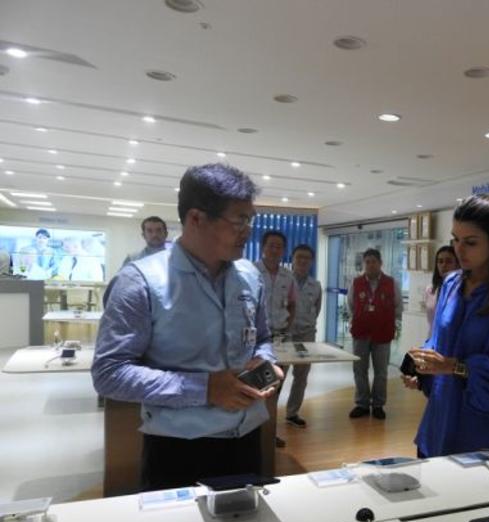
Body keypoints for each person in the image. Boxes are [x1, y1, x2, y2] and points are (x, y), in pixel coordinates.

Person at [91, 163, 283, 491]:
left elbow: (262, 337)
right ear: (196, 218)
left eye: (250, 219)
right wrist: (205, 389)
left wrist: (265, 361)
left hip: (248, 436)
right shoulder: (140, 281)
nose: (248, 231)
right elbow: (109, 373)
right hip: (178, 447)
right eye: (239, 220)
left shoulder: (250, 276)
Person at [403, 194, 489, 457]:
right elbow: (438, 341)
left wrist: (454, 366)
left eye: (470, 242)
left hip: (485, 431)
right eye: (455, 239)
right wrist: (423, 365)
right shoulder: (451, 284)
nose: (458, 250)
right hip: (441, 420)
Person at [348, 248, 402, 420]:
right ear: (364, 264)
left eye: (374, 262)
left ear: (380, 263)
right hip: (360, 333)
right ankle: (362, 404)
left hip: (383, 333)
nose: (370, 265)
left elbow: (398, 307)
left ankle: (378, 405)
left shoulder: (391, 283)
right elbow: (351, 305)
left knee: (381, 372)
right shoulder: (356, 283)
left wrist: (390, 322)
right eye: (367, 262)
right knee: (359, 370)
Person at [255, 230, 297, 445]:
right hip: (257, 339)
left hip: (280, 336)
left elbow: (293, 304)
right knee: (257, 386)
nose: (274, 249)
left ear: (284, 250)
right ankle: (254, 433)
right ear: (263, 247)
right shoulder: (252, 271)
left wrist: (286, 328)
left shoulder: (288, 276)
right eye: (271, 245)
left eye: (279, 246)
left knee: (276, 386)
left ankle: (270, 433)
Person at [282, 244, 322, 427]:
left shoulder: (316, 285)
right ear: (292, 259)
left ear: (311, 261)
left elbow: (316, 310)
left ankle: (292, 413)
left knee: (301, 375)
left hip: (306, 335)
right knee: (278, 374)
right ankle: (269, 413)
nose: (303, 261)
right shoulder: (283, 281)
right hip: (285, 333)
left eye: (307, 258)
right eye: (299, 257)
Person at [422, 245, 459, 331]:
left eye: (449, 261)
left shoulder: (460, 289)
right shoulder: (430, 290)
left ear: (457, 264)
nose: (444, 265)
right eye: (440, 261)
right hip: (433, 335)